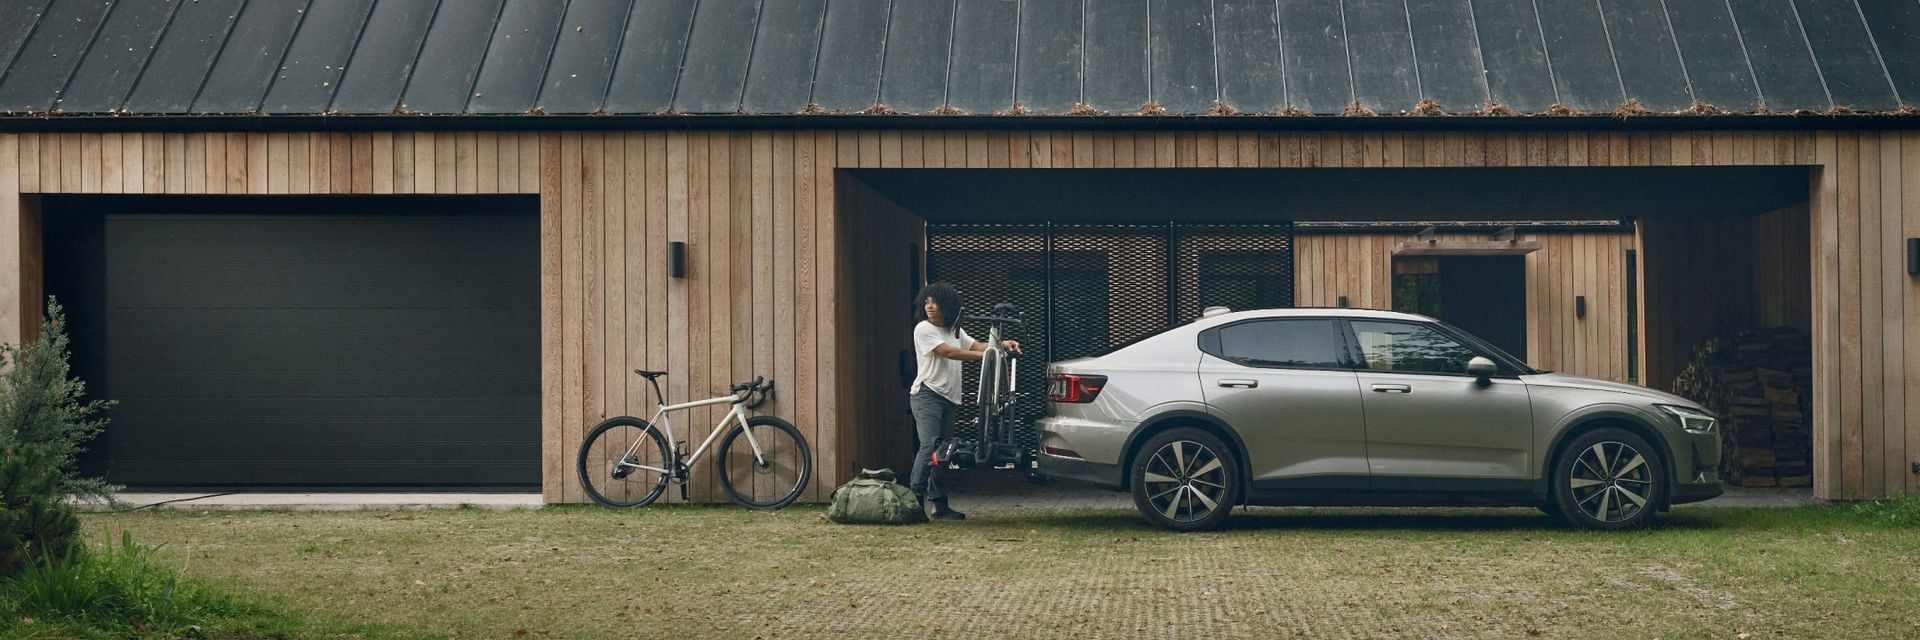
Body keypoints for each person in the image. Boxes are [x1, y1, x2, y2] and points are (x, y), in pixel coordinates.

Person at [908, 282, 1020, 521]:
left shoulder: (954, 330)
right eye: (926, 302)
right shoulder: (923, 328)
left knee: (943, 451)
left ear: (947, 305)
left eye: (935, 302)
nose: (929, 306)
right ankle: (913, 503)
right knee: (929, 446)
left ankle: (939, 505)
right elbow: (949, 352)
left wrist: (1002, 344)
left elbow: (976, 345)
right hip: (927, 395)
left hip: (949, 398)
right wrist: (988, 355)